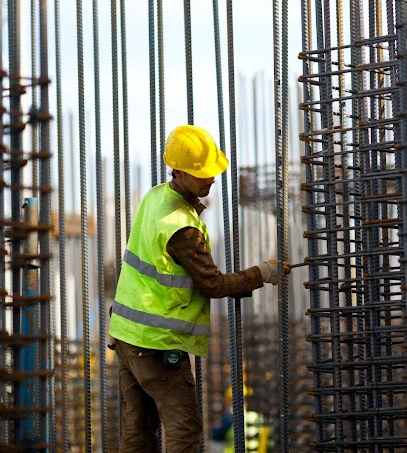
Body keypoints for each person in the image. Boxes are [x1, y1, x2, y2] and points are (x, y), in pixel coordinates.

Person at [108, 124, 290, 453]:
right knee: (185, 430)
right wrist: (262, 273)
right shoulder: (181, 226)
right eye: (202, 174)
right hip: (156, 345)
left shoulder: (156, 197)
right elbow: (213, 284)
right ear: (177, 172)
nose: (211, 179)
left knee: (138, 430)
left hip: (126, 334)